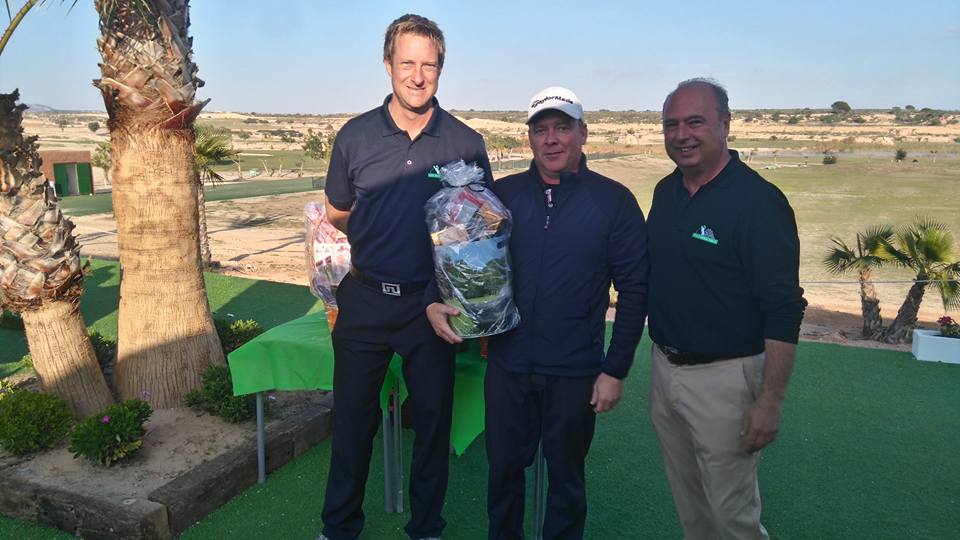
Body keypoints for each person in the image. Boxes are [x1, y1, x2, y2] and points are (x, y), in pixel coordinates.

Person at [427, 86, 649, 540]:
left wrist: (615, 369)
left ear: (583, 133)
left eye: (562, 128)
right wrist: (436, 299)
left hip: (575, 370)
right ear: (529, 138)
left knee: (566, 482)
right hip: (508, 366)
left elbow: (635, 290)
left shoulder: (614, 201)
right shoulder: (499, 197)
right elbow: (458, 260)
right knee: (503, 477)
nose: (551, 139)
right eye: (540, 130)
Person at [319, 14, 492, 540]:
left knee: (432, 424)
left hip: (431, 306)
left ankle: (426, 528)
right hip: (365, 298)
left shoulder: (465, 142)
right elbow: (338, 212)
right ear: (388, 64)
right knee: (352, 422)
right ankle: (339, 527)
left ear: (441, 69)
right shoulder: (355, 136)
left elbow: (479, 228)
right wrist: (381, 238)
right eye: (407, 63)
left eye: (429, 65)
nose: (418, 76)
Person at [646, 78, 806, 539]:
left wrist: (770, 401)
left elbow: (783, 308)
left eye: (695, 122)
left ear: (725, 124)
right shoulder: (666, 192)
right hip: (665, 369)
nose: (682, 135)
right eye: (671, 124)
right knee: (692, 507)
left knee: (731, 515)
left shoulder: (759, 202)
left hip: (727, 378)